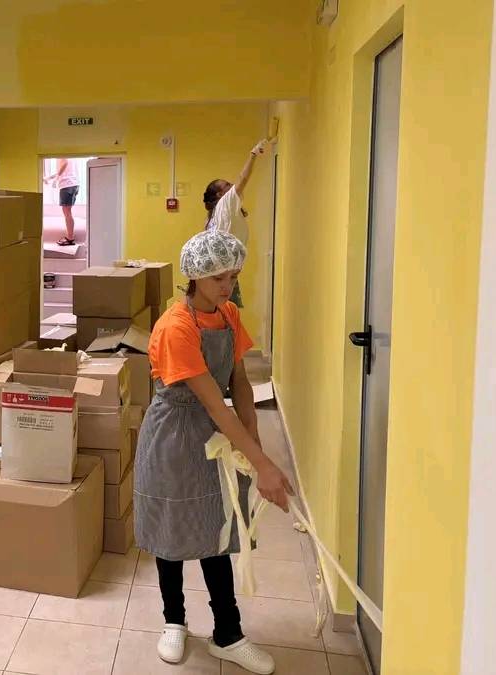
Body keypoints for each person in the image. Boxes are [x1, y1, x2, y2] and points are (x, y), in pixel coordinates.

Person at [134, 227, 293, 673]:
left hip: (213, 431)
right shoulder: (176, 327)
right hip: (173, 432)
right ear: (195, 276)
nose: (228, 286)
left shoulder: (228, 315)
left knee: (216, 529)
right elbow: (211, 400)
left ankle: (228, 633)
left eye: (233, 276)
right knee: (171, 526)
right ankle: (174, 620)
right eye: (219, 277)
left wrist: (254, 443)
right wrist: (262, 465)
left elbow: (239, 382)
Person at [202, 138, 269, 308]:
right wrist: (253, 154)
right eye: (226, 185)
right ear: (219, 195)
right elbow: (243, 179)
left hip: (218, 271)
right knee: (226, 313)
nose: (231, 185)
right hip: (221, 272)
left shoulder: (212, 216)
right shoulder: (225, 203)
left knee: (222, 312)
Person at [44, 158, 79, 246]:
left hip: (67, 185)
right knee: (67, 212)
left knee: (67, 212)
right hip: (73, 184)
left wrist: (56, 179)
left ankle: (70, 238)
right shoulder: (69, 154)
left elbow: (65, 163)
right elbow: (64, 169)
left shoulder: (61, 154)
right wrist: (50, 178)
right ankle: (70, 237)